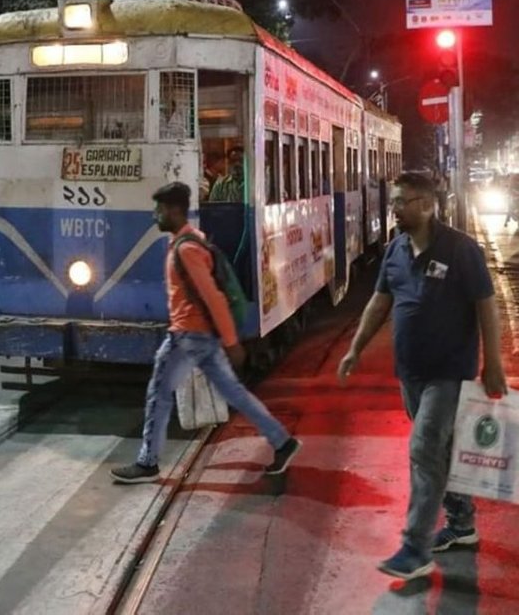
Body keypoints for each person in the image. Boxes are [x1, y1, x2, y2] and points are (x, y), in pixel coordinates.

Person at [337, 172, 507, 581]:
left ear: (428, 205)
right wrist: (355, 348)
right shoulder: (395, 250)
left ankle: (415, 548)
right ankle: (462, 521)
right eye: (393, 201)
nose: (393, 208)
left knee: (425, 448)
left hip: (450, 371)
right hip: (410, 372)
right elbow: (380, 303)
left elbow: (486, 304)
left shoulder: (460, 249)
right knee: (440, 450)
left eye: (402, 201)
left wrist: (494, 364)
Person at [111, 181, 301, 483]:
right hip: (193, 335)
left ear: (174, 211)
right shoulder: (190, 241)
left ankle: (148, 462)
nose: (154, 216)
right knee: (228, 393)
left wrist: (231, 341)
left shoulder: (187, 249)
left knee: (160, 393)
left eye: (159, 210)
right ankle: (282, 441)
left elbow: (213, 297)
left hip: (189, 336)